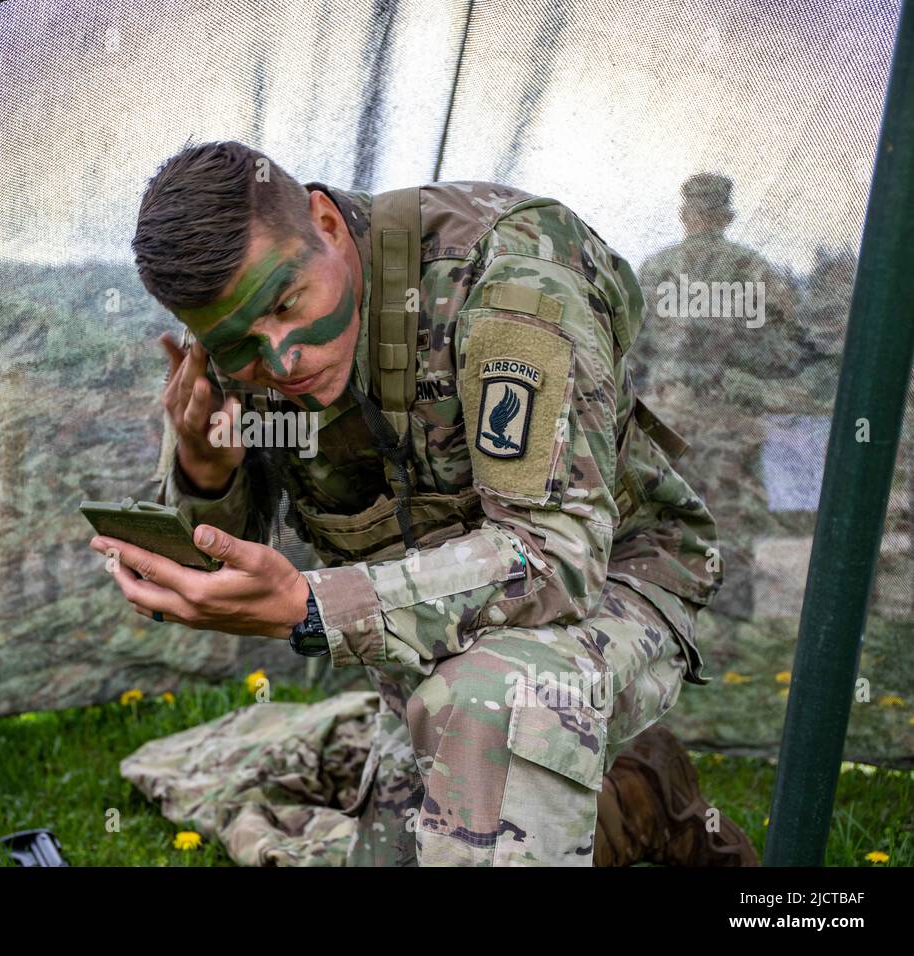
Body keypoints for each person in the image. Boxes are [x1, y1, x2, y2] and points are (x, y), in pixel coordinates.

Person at [92, 141, 757, 866]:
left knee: (492, 706)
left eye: (289, 306)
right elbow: (224, 548)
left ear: (327, 224)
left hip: (612, 580)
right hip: (426, 634)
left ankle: (586, 763)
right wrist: (206, 469)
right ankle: (636, 797)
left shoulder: (507, 275)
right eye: (241, 346)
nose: (282, 362)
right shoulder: (234, 339)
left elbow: (554, 559)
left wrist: (313, 608)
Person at [631, 173, 803, 619]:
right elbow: (784, 351)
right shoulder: (754, 270)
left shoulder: (656, 268)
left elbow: (632, 349)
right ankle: (726, 629)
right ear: (727, 216)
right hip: (731, 414)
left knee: (661, 508)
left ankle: (655, 611)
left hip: (668, 414)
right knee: (730, 516)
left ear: (685, 215)